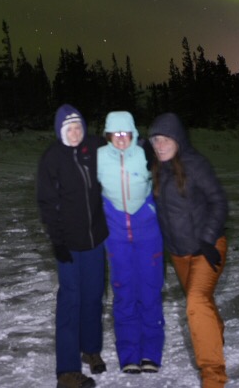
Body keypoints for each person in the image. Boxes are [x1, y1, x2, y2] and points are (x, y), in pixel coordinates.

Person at [148, 113, 229, 388]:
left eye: (165, 139)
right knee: (202, 303)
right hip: (179, 254)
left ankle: (213, 378)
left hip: (207, 248)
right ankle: (214, 336)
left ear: (178, 139)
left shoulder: (196, 164)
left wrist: (208, 239)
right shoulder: (157, 169)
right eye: (155, 139)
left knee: (195, 303)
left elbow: (219, 201)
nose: (159, 145)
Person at [37, 104, 109, 388]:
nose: (75, 132)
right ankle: (67, 371)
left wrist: (140, 144)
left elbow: (119, 149)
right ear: (60, 131)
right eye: (69, 128)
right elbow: (46, 203)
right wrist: (57, 241)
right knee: (71, 300)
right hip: (68, 243)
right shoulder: (52, 159)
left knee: (93, 296)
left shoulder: (93, 147)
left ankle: (90, 349)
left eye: (78, 126)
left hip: (95, 240)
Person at [97, 110, 165, 374]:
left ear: (133, 133)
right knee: (124, 295)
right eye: (116, 134)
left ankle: (151, 354)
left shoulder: (146, 153)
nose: (121, 139)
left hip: (149, 234)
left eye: (126, 133)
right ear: (109, 135)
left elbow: (172, 174)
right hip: (116, 236)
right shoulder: (99, 158)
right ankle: (129, 356)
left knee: (149, 293)